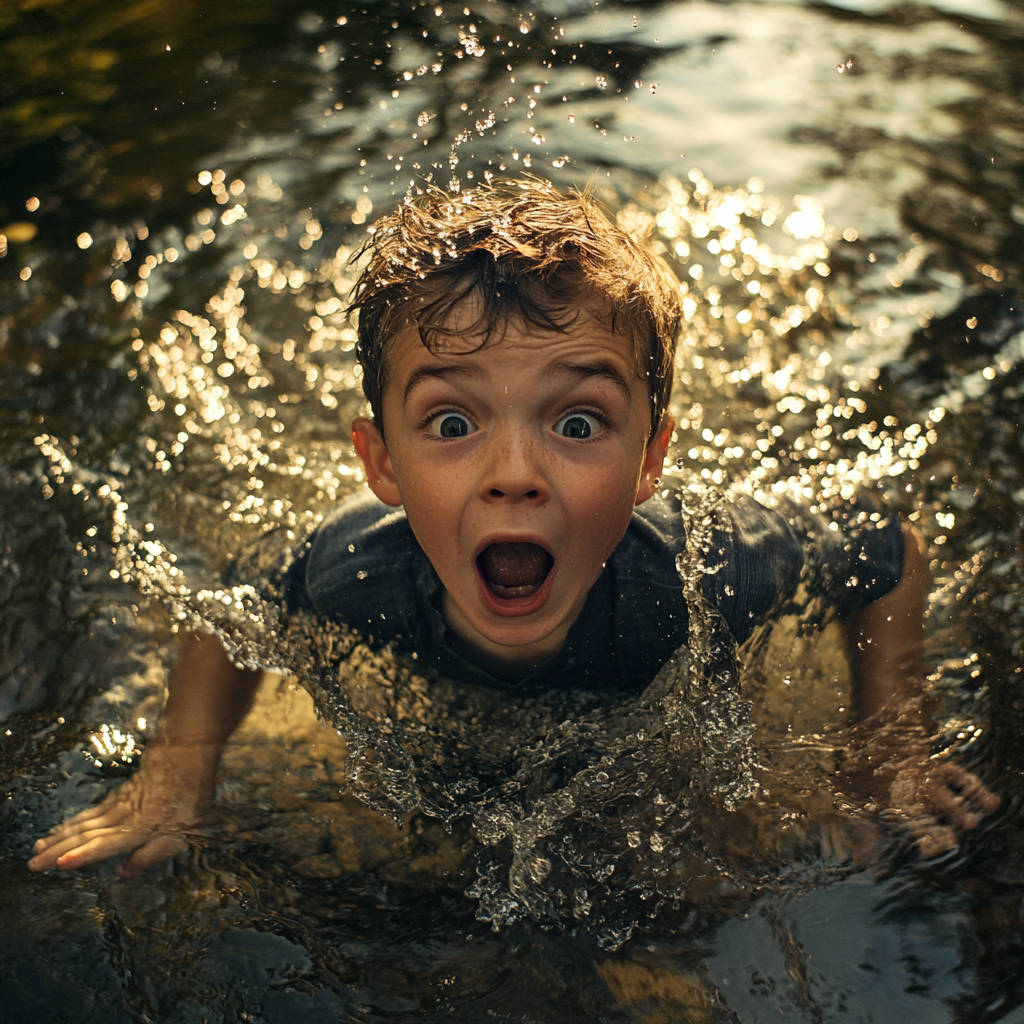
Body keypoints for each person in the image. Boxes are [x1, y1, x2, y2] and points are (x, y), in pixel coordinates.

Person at [29, 179, 998, 877]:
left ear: (649, 458)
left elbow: (885, 548)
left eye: (578, 423)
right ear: (381, 467)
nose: (514, 475)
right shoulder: (356, 573)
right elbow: (237, 599)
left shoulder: (702, 571)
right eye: (451, 424)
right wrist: (179, 773)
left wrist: (889, 743)